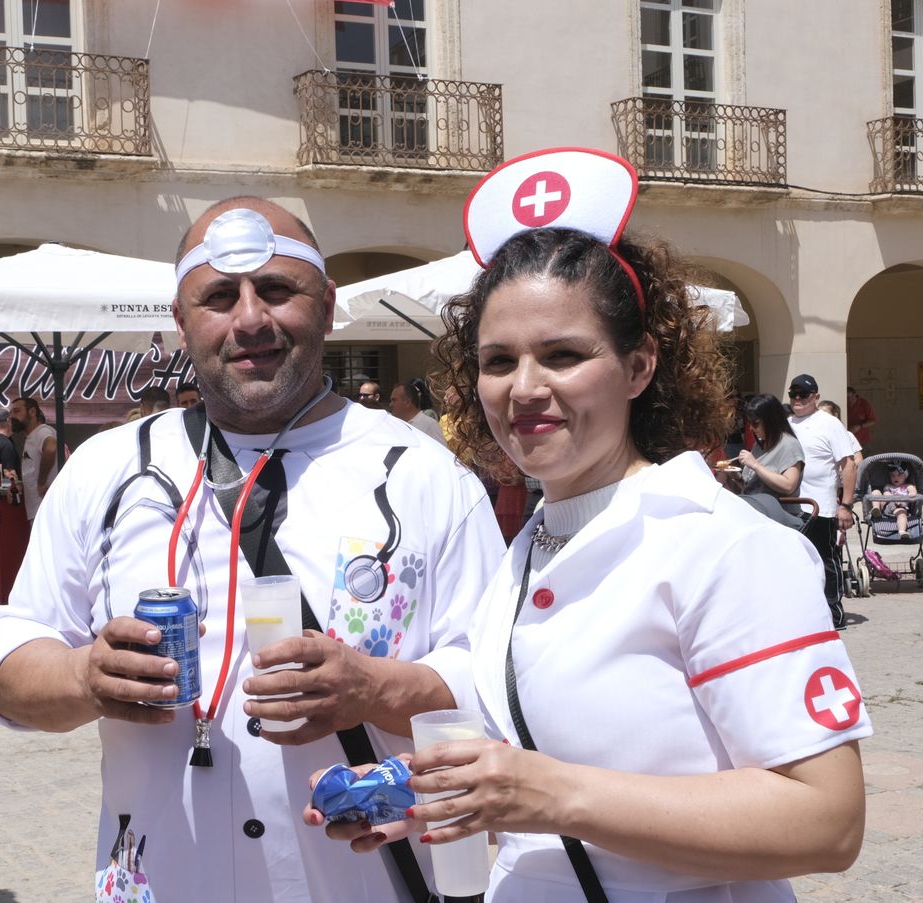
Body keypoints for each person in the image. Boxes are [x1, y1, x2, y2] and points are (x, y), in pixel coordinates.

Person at [309, 147, 870, 901]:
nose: (525, 388)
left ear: (639, 367)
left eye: (564, 354)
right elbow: (535, 743)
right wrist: (425, 783)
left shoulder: (725, 545)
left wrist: (547, 795)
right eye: (499, 360)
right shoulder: (537, 539)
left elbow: (827, 819)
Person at [0, 197, 504, 901]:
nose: (250, 318)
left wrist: (374, 689)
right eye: (219, 296)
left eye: (278, 290)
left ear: (327, 306)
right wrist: (83, 677)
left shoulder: (425, 475)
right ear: (180, 319)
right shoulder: (108, 468)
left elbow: (501, 690)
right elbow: (10, 656)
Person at [788, 374, 857, 630]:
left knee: (826, 559)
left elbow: (848, 465)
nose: (797, 399)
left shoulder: (829, 424)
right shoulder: (786, 424)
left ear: (815, 397)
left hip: (822, 508)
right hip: (791, 506)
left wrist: (846, 505)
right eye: (793, 393)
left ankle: (833, 614)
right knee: (796, 561)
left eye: (803, 394)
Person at [735, 393, 808, 529]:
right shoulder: (760, 445)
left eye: (755, 424)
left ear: (771, 420)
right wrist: (734, 477)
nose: (751, 429)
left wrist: (755, 465)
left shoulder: (789, 445)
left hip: (778, 517)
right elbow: (753, 486)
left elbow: (788, 485)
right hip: (755, 513)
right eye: (750, 424)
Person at [9, 396, 56, 521]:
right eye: (11, 412)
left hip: (45, 511)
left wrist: (41, 481)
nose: (12, 416)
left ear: (32, 412)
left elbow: (51, 448)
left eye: (17, 411)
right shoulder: (32, 437)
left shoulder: (42, 431)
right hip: (40, 510)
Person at [388, 378, 447, 445]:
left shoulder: (429, 425)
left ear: (407, 402)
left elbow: (441, 452)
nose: (390, 404)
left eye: (394, 400)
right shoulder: (395, 425)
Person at [872, 460, 919, 535]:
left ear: (905, 476)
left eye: (899, 475)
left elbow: (913, 493)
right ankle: (876, 509)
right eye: (892, 475)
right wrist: (894, 499)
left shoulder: (908, 486)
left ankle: (902, 531)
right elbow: (886, 493)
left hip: (900, 507)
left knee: (902, 514)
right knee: (875, 492)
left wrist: (906, 497)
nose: (895, 478)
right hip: (886, 506)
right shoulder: (888, 486)